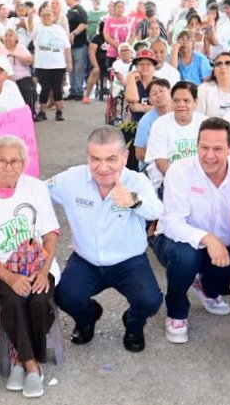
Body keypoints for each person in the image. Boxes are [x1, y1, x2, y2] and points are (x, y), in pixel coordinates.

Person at [49, 126, 164, 353]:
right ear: (87, 156)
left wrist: (134, 201)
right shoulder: (71, 178)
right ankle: (87, 318)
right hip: (86, 260)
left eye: (111, 159)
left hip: (129, 261)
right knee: (65, 296)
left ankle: (133, 324)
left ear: (124, 157)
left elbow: (156, 210)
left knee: (150, 301)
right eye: (95, 159)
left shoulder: (137, 181)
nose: (103, 168)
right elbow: (35, 191)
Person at [0, 136, 60, 398]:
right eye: (2, 161)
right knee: (12, 298)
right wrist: (8, 277)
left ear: (23, 164)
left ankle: (18, 358)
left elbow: (51, 233)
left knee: (39, 301)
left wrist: (43, 271)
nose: (8, 167)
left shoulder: (35, 189)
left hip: (37, 262)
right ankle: (32, 366)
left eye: (15, 161)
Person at [155, 118, 230, 343]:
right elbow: (172, 222)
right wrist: (207, 239)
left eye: (218, 149)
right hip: (175, 241)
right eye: (204, 147)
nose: (209, 155)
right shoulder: (180, 171)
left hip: (224, 244)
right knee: (186, 256)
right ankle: (177, 313)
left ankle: (207, 287)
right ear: (197, 146)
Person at [145, 81, 205, 188]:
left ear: (195, 102)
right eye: (176, 101)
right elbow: (160, 161)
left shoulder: (205, 124)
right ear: (172, 102)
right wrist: (180, 183)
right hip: (168, 181)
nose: (181, 105)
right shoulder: (160, 124)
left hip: (200, 182)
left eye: (186, 101)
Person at [31, 5, 72, 122]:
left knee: (57, 88)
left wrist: (69, 62)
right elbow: (31, 35)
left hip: (58, 64)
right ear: (40, 17)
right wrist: (30, 18)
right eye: (43, 15)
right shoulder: (38, 28)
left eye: (49, 15)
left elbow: (67, 47)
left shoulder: (59, 29)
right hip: (42, 64)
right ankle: (42, 112)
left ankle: (59, 112)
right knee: (45, 88)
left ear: (53, 17)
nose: (46, 17)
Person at [197, 50, 230, 117]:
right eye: (218, 64)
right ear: (214, 72)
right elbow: (198, 118)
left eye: (228, 63)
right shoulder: (203, 90)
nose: (223, 67)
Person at [64, 0, 90, 101]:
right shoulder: (70, 11)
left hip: (79, 44)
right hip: (71, 46)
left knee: (78, 68)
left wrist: (73, 33)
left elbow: (84, 24)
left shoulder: (80, 9)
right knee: (72, 68)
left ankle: (79, 91)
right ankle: (73, 90)